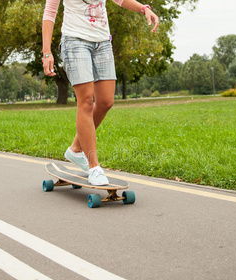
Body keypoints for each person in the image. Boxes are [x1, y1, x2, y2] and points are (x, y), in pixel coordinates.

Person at [42, 0, 159, 185]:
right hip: (74, 41)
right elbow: (50, 12)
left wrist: (143, 8)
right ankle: (94, 166)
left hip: (102, 42)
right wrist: (47, 52)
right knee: (86, 101)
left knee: (105, 101)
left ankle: (75, 148)